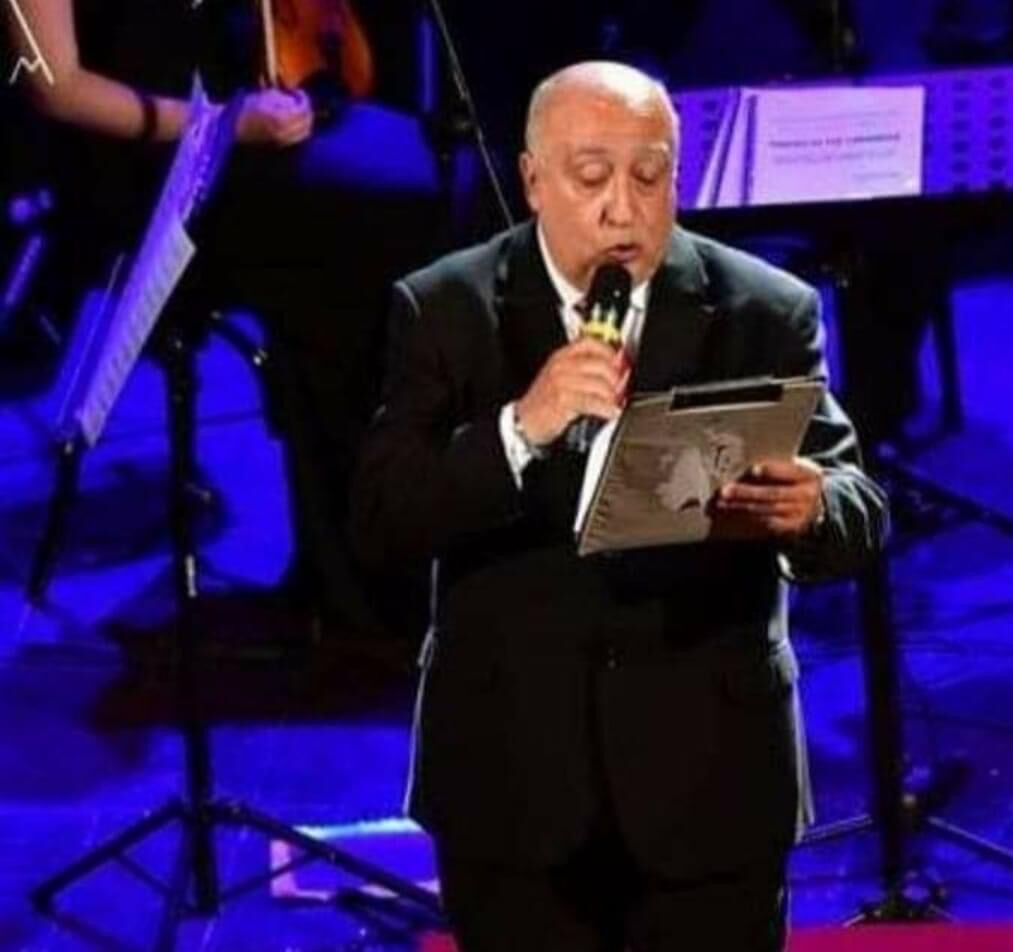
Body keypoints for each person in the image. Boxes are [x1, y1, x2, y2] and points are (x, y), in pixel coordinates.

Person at [351, 61, 889, 950]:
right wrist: (519, 428)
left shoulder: (764, 309)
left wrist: (814, 509)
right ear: (533, 180)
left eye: (649, 176)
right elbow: (381, 516)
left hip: (711, 773)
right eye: (591, 177)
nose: (622, 210)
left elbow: (856, 503)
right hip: (511, 776)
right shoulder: (445, 307)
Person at [4, 0, 457, 636]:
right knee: (370, 229)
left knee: (423, 181)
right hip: (140, 176)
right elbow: (55, 88)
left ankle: (361, 570)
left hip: (229, 134)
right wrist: (224, 125)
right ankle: (357, 593)